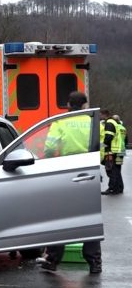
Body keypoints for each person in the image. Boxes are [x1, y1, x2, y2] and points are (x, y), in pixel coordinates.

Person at [37, 91, 102, 274]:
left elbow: (49, 148)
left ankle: (53, 259)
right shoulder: (92, 122)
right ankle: (95, 262)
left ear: (68, 104)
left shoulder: (61, 121)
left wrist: (52, 161)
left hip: (66, 173)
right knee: (90, 219)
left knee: (60, 218)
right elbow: (101, 149)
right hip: (89, 172)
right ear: (84, 105)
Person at [99, 109, 123, 195]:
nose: (99, 117)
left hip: (112, 151)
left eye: (100, 115)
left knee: (111, 170)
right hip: (120, 150)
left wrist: (102, 146)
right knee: (117, 170)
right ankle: (119, 188)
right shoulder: (117, 124)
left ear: (104, 114)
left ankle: (112, 188)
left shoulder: (109, 123)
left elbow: (108, 137)